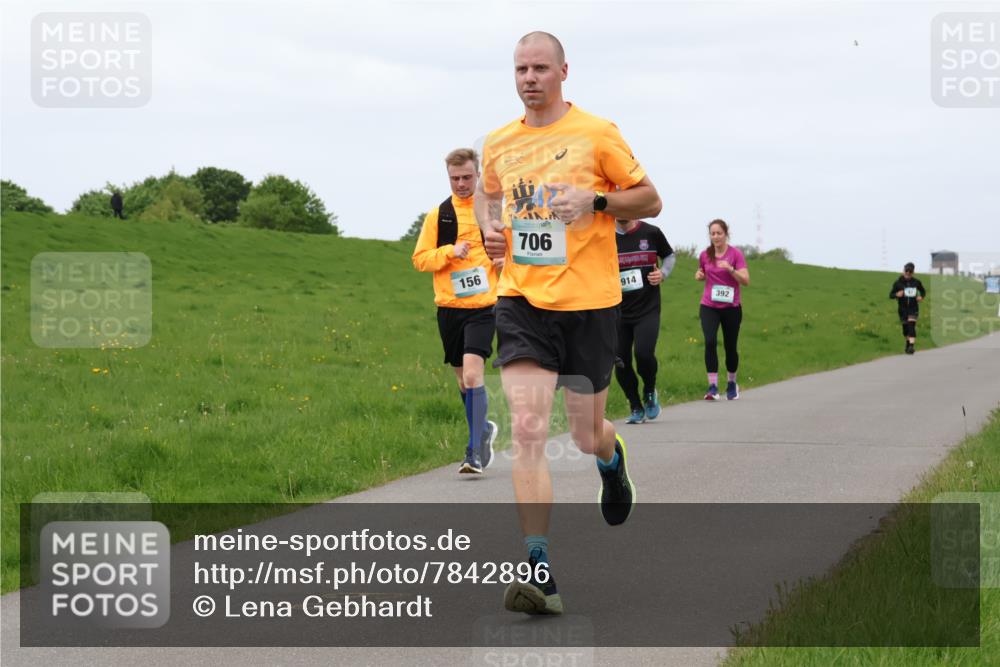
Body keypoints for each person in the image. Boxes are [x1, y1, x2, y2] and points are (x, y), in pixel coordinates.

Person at [476, 31, 662, 616]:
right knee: (527, 429)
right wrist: (490, 229)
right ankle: (538, 571)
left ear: (563, 71)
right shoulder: (498, 143)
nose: (528, 78)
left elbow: (651, 199)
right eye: (519, 69)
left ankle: (611, 458)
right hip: (522, 301)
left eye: (539, 68)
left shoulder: (596, 133)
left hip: (590, 305)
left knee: (585, 434)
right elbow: (487, 197)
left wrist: (596, 202)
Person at [412, 148, 501, 474]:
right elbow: (420, 259)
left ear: (477, 175)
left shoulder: (491, 211)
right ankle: (485, 430)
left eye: (466, 177)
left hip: (483, 306)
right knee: (464, 383)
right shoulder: (439, 216)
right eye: (455, 178)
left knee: (475, 374)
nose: (461, 183)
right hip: (449, 308)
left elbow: (511, 251)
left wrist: (503, 262)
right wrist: (450, 251)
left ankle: (473, 451)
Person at [614, 218, 674, 424]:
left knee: (643, 353)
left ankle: (649, 391)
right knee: (620, 361)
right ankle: (635, 405)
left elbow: (669, 256)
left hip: (647, 309)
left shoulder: (651, 232)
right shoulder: (604, 235)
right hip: (616, 311)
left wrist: (663, 273)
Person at [695, 219, 749, 401]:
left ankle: (732, 383)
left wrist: (731, 270)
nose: (716, 236)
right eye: (712, 233)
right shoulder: (705, 255)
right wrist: (699, 275)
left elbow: (746, 280)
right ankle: (713, 387)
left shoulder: (735, 254)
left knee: (730, 346)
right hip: (709, 305)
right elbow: (701, 272)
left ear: (726, 234)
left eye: (719, 233)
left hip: (731, 308)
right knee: (710, 341)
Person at [890, 262, 926, 354]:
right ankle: (908, 342)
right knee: (905, 329)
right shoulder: (898, 283)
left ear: (913, 272)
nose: (908, 273)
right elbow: (891, 295)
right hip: (902, 309)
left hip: (913, 308)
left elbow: (923, 291)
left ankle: (911, 347)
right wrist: (897, 294)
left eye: (910, 271)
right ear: (904, 271)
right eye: (907, 271)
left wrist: (921, 297)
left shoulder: (916, 282)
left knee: (911, 326)